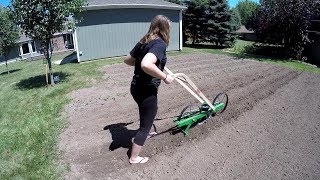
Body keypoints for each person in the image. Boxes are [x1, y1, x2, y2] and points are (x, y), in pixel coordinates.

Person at [124, 15, 175, 164]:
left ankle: (142, 133)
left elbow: (128, 60)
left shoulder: (144, 41)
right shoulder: (159, 44)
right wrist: (165, 77)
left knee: (144, 113)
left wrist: (141, 60)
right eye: (169, 28)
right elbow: (146, 64)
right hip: (146, 90)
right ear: (164, 28)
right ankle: (134, 158)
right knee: (147, 123)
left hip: (136, 87)